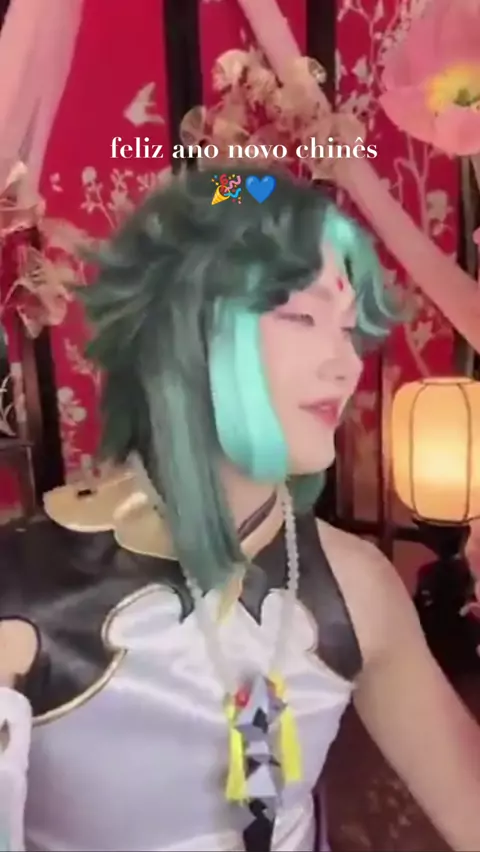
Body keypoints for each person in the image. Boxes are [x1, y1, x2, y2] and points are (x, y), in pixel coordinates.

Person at [0, 167, 480, 852]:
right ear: (186, 327)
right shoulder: (24, 595)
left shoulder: (358, 586)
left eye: (349, 328)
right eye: (304, 317)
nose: (347, 365)